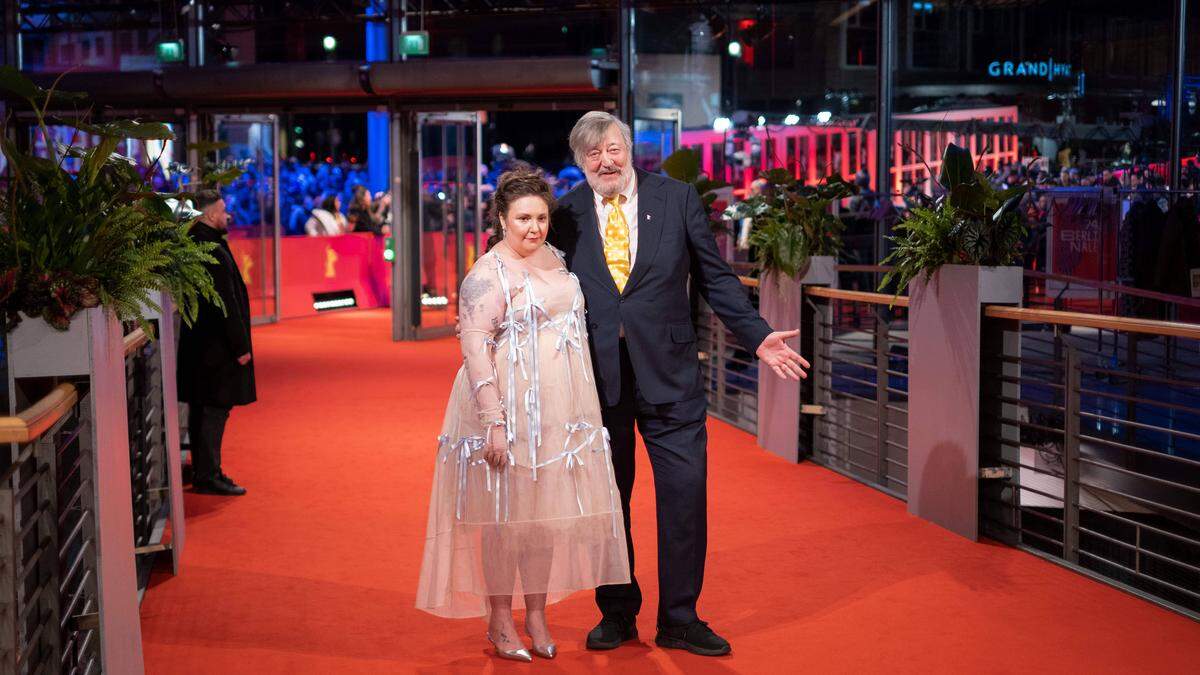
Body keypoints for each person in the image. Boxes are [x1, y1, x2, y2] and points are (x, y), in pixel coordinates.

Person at [548, 111, 808, 657]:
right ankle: (617, 612)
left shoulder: (678, 197)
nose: (606, 161)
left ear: (628, 148)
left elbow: (715, 277)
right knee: (608, 502)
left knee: (685, 497)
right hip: (597, 383)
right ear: (580, 162)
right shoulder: (564, 213)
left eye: (613, 148)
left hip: (672, 375)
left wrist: (757, 336)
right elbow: (540, 285)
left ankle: (681, 617)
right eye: (593, 154)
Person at [416, 166, 629, 662]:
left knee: (544, 519)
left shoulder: (557, 257)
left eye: (540, 217)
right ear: (500, 218)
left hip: (562, 409)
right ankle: (498, 619)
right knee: (504, 521)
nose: (534, 228)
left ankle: (536, 615)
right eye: (523, 219)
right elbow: (475, 352)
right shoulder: (487, 274)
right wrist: (494, 422)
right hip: (507, 410)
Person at [177, 190, 256, 497]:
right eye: (223, 210)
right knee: (214, 409)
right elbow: (226, 303)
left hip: (204, 347)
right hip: (215, 350)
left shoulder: (198, 243)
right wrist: (240, 347)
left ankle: (205, 471)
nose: (228, 215)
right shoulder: (210, 248)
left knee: (205, 409)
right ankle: (208, 474)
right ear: (209, 215)